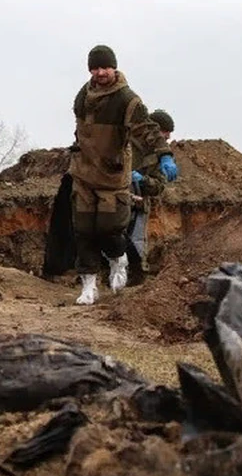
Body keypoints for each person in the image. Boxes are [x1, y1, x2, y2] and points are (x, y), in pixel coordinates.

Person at [68, 45, 177, 305]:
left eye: (105, 67)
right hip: (84, 173)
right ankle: (89, 286)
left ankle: (119, 260)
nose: (100, 72)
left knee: (109, 229)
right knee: (83, 231)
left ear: (114, 67)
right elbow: (81, 131)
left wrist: (164, 154)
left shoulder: (127, 100)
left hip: (112, 176)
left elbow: (147, 130)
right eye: (95, 68)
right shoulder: (83, 95)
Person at [127, 108, 175, 284]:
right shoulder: (128, 144)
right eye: (165, 132)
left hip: (139, 205)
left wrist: (143, 181)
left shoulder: (161, 156)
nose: (167, 137)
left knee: (137, 241)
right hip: (117, 200)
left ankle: (136, 278)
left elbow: (159, 186)